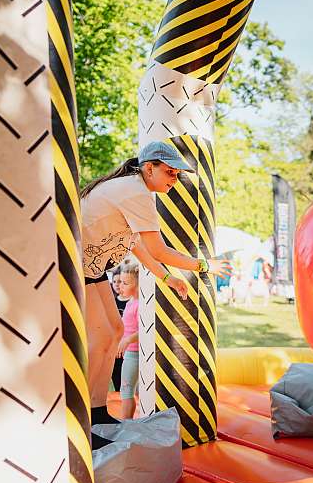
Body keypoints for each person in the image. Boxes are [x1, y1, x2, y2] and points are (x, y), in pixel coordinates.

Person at [80, 141, 229, 449]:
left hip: (90, 268)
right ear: (150, 168)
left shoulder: (133, 189)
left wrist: (168, 279)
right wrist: (204, 266)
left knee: (116, 331)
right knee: (99, 340)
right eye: (170, 173)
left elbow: (138, 246)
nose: (174, 180)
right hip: (74, 266)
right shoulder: (134, 191)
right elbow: (158, 249)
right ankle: (83, 420)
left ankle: (97, 410)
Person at [115, 258, 140, 420]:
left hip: (134, 354)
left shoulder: (139, 304)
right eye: (120, 282)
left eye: (125, 283)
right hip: (130, 353)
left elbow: (144, 330)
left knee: (126, 392)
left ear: (138, 284)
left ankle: (126, 425)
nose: (120, 286)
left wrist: (127, 340)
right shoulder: (131, 301)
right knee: (128, 391)